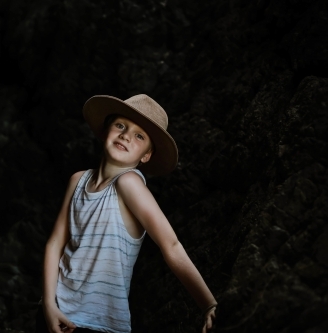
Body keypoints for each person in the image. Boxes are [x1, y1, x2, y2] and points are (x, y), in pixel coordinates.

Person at [36, 94, 217, 333]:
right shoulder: (77, 180)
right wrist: (49, 304)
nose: (126, 135)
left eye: (139, 136)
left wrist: (208, 304)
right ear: (105, 132)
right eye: (120, 126)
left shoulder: (129, 183)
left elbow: (170, 245)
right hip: (55, 310)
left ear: (146, 155)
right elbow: (55, 243)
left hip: (99, 324)